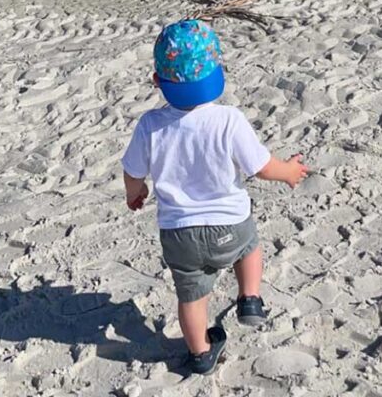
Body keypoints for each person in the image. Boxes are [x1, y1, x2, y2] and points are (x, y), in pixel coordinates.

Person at [122, 19, 309, 376]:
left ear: (158, 81)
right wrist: (288, 171)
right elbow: (262, 167)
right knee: (250, 247)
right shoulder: (229, 120)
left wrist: (136, 193)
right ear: (216, 74)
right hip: (231, 225)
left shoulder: (150, 124)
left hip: (179, 235)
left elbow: (132, 171)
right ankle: (250, 298)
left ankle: (201, 354)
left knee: (191, 296)